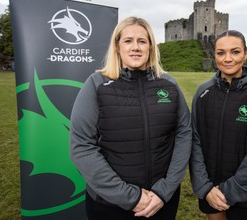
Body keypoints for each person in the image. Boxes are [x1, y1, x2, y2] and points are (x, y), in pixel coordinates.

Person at [70, 16, 192, 220]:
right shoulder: (96, 84)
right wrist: (131, 197)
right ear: (117, 47)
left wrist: (165, 189)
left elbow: (184, 133)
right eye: (128, 41)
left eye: (142, 41)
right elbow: (82, 146)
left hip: (161, 201)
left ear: (151, 47)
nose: (135, 47)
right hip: (109, 205)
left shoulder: (169, 84)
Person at [190, 30, 247, 220]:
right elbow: (194, 141)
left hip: (246, 193)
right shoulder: (203, 92)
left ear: (245, 54)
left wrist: (230, 190)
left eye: (235, 52)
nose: (228, 59)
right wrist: (205, 187)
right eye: (221, 53)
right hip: (210, 191)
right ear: (214, 55)